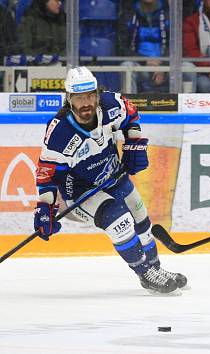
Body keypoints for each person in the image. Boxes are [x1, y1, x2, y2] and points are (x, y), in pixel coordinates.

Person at [34, 66, 187, 294]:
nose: (86, 103)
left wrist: (134, 144)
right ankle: (145, 272)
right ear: (69, 99)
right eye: (79, 98)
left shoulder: (111, 104)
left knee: (140, 218)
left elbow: (131, 117)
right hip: (80, 190)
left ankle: (156, 269)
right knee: (120, 221)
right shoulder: (59, 132)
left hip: (113, 175)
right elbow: (47, 175)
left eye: (90, 96)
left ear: (97, 94)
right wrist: (45, 208)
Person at [118, 0, 170, 94]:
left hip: (167, 66)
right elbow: (121, 48)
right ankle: (128, 106)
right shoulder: (128, 15)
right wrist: (145, 60)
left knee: (187, 68)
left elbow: (177, 45)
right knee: (126, 66)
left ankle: (186, 107)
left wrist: (163, 65)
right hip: (140, 66)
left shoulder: (169, 14)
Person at [14, 0, 64, 66]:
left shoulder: (64, 20)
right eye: (56, 0)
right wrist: (43, 58)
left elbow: (69, 48)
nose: (60, 3)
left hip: (61, 67)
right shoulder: (29, 19)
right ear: (45, 1)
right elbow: (24, 48)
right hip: (35, 68)